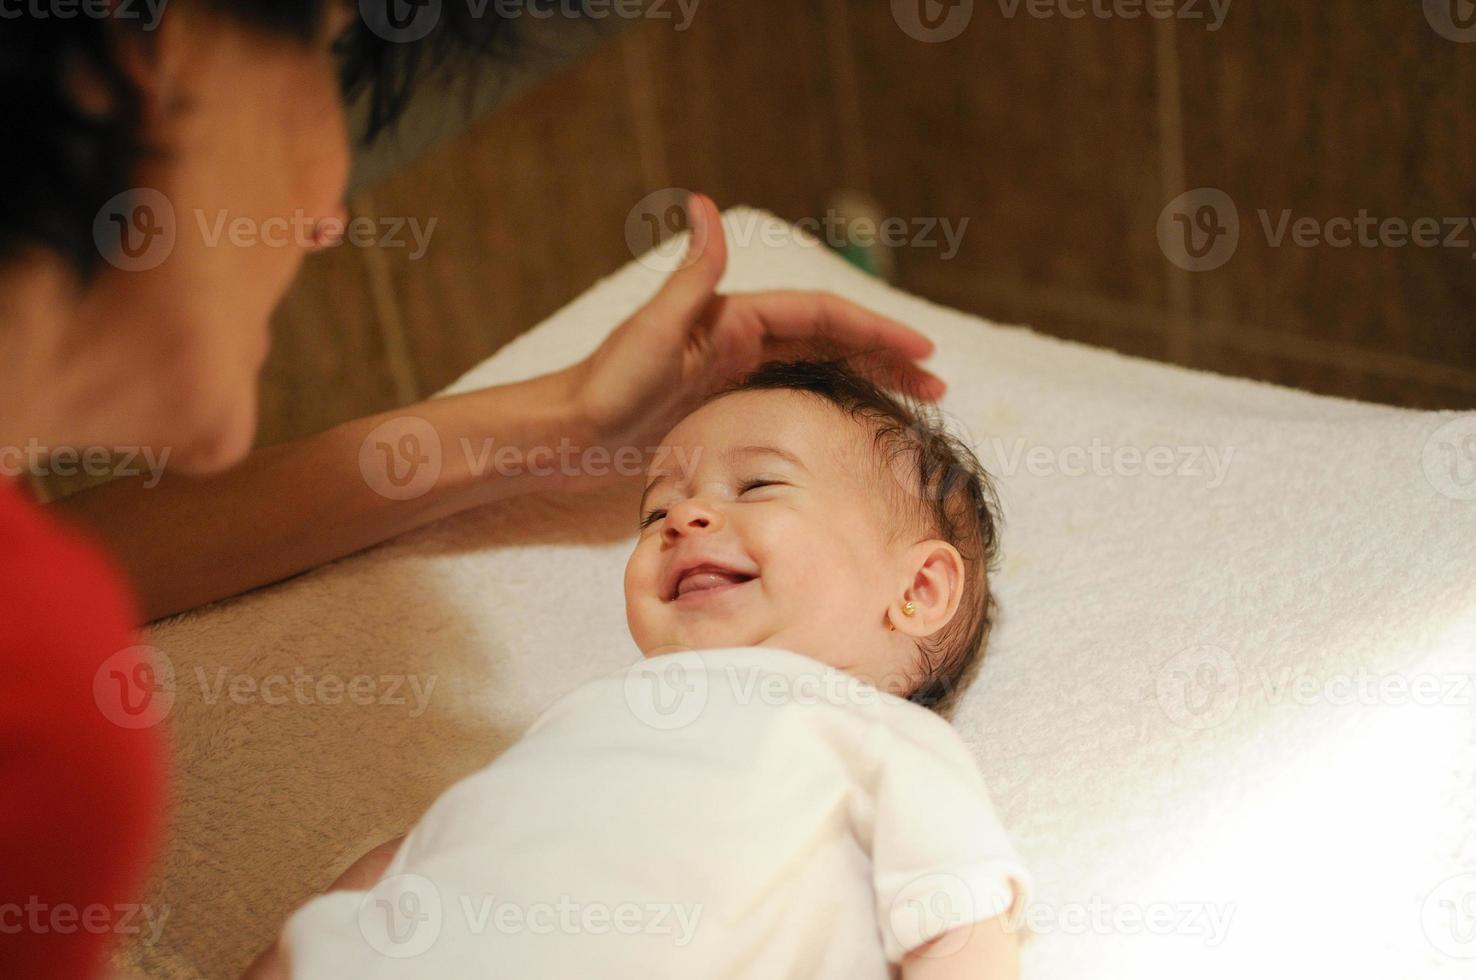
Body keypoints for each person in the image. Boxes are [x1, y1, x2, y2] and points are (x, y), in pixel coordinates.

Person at [0, 4, 943, 978]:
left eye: (758, 483)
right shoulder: (44, 699)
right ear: (142, 44)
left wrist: (573, 414)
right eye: (319, 64)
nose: (330, 212)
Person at [252, 359, 1024, 979]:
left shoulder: (887, 738)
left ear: (917, 591)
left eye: (758, 484)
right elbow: (463, 830)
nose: (685, 519)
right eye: (657, 512)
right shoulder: (592, 715)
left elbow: (960, 926)